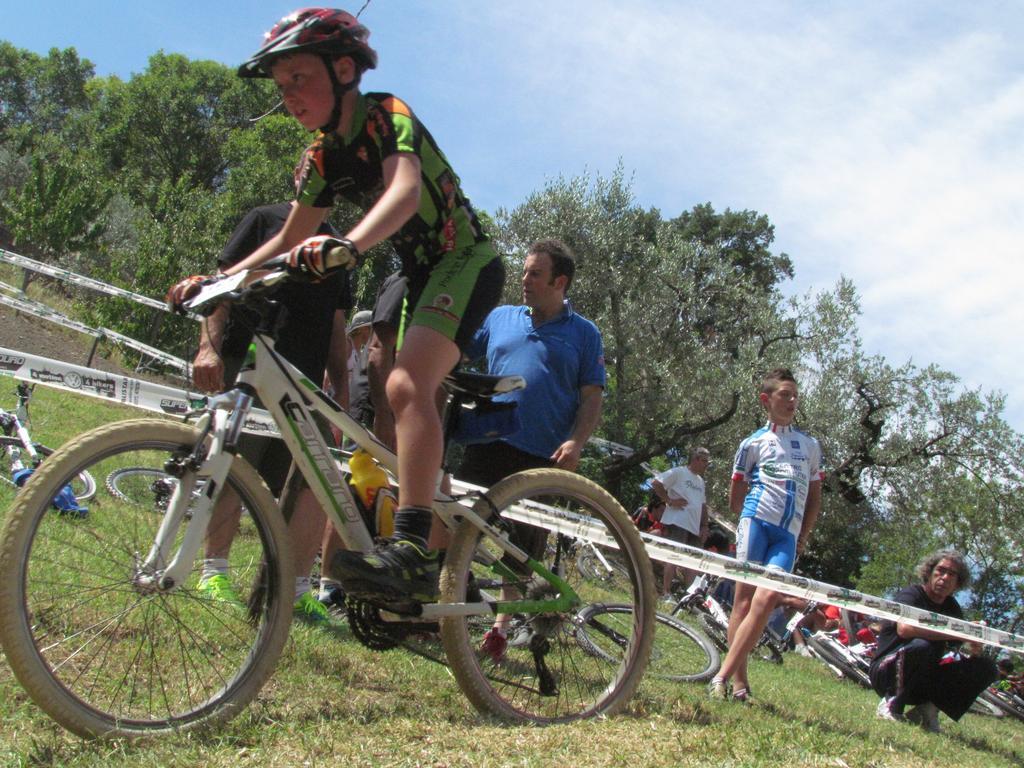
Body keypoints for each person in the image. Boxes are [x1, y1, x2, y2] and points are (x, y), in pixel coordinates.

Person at [168, 8, 505, 606]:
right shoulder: (323, 158)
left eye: (299, 78)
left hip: (466, 259)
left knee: (406, 385)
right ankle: (428, 538)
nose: (289, 96)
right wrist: (215, 280)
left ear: (344, 68)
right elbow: (288, 238)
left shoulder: (386, 114)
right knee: (388, 405)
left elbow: (403, 192)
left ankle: (412, 549)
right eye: (281, 87)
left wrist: (349, 245)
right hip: (418, 273)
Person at [191, 201, 351, 624]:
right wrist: (208, 347)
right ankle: (214, 574)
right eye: (313, 168)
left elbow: (338, 329)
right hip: (250, 370)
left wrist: (344, 400)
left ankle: (295, 591)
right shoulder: (264, 221)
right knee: (233, 467)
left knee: (314, 485)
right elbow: (221, 289)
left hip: (305, 386)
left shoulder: (339, 247)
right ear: (300, 174)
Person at [456, 238, 606, 662]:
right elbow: (460, 351)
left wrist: (577, 441)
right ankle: (450, 614)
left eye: (534, 273)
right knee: (458, 525)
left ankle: (499, 634)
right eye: (524, 271)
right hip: (485, 441)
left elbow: (592, 395)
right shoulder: (500, 317)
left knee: (520, 553)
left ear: (560, 282)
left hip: (540, 457)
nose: (524, 280)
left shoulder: (584, 334)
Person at [708, 367, 823, 703]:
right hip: (756, 522)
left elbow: (816, 497)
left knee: (767, 598)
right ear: (766, 400)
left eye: (795, 395)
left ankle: (721, 676)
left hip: (787, 535)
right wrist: (749, 519)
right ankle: (740, 686)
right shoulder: (752, 443)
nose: (791, 401)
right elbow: (735, 495)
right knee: (743, 603)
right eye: (784, 394)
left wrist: (804, 534)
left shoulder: (811, 446)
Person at [870, 549, 997, 732]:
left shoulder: (952, 608)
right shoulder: (911, 595)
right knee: (923, 646)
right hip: (886, 672)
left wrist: (974, 642)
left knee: (986, 668)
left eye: (951, 574)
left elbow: (957, 650)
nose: (944, 577)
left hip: (922, 679)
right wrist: (956, 632)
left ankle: (926, 711)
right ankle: (891, 705)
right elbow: (905, 629)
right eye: (940, 570)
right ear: (929, 573)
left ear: (957, 583)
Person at [651, 447, 711, 596]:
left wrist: (704, 525)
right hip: (677, 522)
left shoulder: (700, 481)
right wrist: (670, 501)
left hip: (694, 526)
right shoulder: (679, 472)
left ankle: (688, 596)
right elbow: (656, 483)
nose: (706, 466)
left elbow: (702, 505)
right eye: (705, 462)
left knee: (692, 561)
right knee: (674, 555)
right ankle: (666, 592)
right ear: (696, 459)